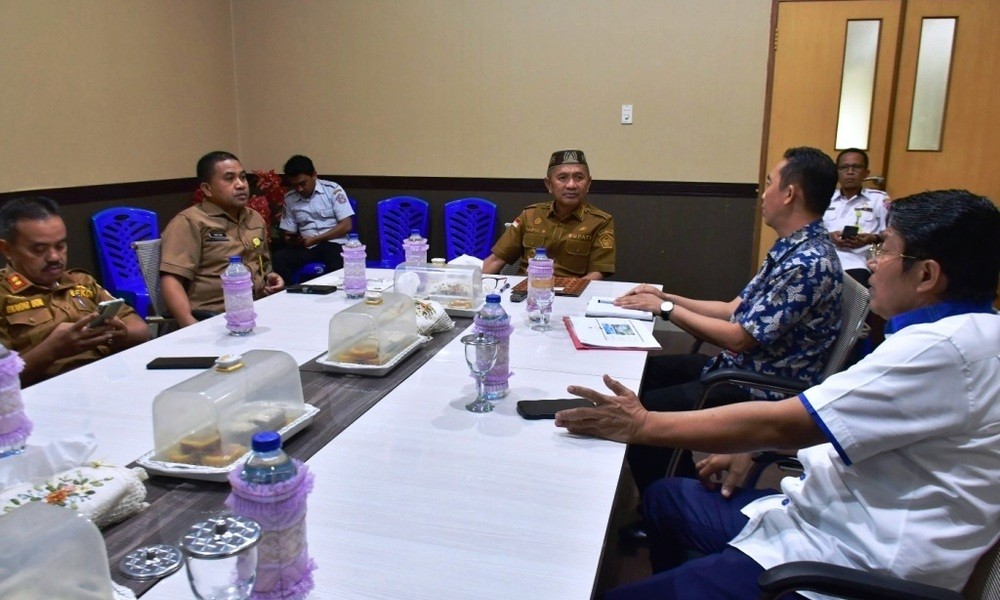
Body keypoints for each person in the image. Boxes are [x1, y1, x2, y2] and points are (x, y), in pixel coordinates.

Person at [556, 189, 1000, 600]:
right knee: (665, 499)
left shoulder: (940, 350)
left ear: (926, 274)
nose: (874, 262)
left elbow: (787, 421)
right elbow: (855, 418)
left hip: (847, 562)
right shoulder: (966, 335)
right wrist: (754, 446)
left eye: (885, 248)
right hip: (824, 508)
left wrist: (643, 424)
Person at [614, 146, 842, 494]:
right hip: (739, 368)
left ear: (789, 193)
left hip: (760, 385)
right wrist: (665, 297)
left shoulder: (807, 262)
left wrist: (666, 310)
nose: (763, 193)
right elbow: (732, 308)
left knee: (645, 413)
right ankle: (672, 481)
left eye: (770, 183)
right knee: (642, 375)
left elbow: (738, 338)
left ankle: (672, 500)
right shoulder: (793, 247)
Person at [0, 197, 149, 385]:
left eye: (60, 245)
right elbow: (2, 381)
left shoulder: (81, 281)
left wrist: (120, 334)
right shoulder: (4, 295)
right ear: (7, 249)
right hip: (48, 391)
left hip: (108, 380)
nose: (54, 257)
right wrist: (51, 350)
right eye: (39, 249)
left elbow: (141, 330)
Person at [160, 151, 284, 328]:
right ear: (207, 189)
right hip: (213, 318)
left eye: (243, 177)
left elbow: (262, 265)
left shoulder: (255, 218)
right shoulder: (190, 222)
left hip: (257, 310)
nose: (240, 185)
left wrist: (271, 280)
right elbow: (171, 280)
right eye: (229, 179)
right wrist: (189, 324)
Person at [482, 149, 615, 280]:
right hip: (526, 288)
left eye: (579, 178)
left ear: (588, 184)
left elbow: (597, 273)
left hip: (572, 290)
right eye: (562, 178)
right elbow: (496, 260)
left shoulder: (600, 221)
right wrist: (472, 284)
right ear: (549, 184)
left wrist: (573, 289)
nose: (571, 185)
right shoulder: (530, 215)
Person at [271, 154, 355, 284]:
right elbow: (288, 234)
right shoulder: (290, 198)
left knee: (333, 254)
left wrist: (316, 239)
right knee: (279, 258)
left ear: (314, 175)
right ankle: (289, 291)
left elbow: (346, 225)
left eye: (303, 183)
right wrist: (294, 240)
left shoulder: (333, 190)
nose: (299, 189)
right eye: (295, 185)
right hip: (307, 247)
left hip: (333, 244)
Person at [823, 147, 889, 287]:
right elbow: (810, 231)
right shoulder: (825, 198)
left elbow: (890, 234)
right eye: (844, 167)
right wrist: (829, 237)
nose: (850, 172)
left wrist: (871, 238)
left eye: (856, 167)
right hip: (825, 258)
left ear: (866, 173)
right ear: (837, 172)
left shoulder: (878, 199)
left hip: (860, 262)